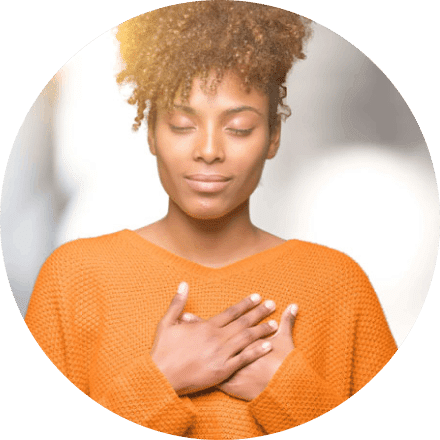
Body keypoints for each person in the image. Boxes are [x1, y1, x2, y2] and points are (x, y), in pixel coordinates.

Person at [24, 1, 397, 438]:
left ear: (273, 137)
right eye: (182, 125)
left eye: (238, 128)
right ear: (151, 132)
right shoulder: (73, 280)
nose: (208, 150)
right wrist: (159, 381)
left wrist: (286, 390)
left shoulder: (339, 286)